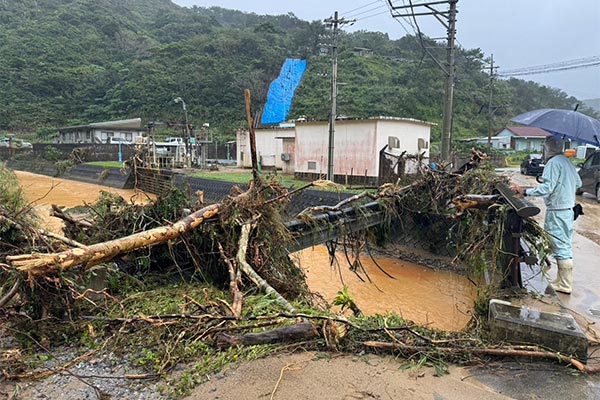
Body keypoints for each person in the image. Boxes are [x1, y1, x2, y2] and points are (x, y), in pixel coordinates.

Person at [511, 135, 582, 294]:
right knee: (562, 242)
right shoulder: (567, 162)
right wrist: (564, 188)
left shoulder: (553, 163)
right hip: (567, 209)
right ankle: (561, 280)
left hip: (558, 210)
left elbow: (547, 189)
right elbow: (578, 183)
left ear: (548, 148)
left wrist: (525, 191)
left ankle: (564, 284)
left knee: (560, 244)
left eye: (544, 147)